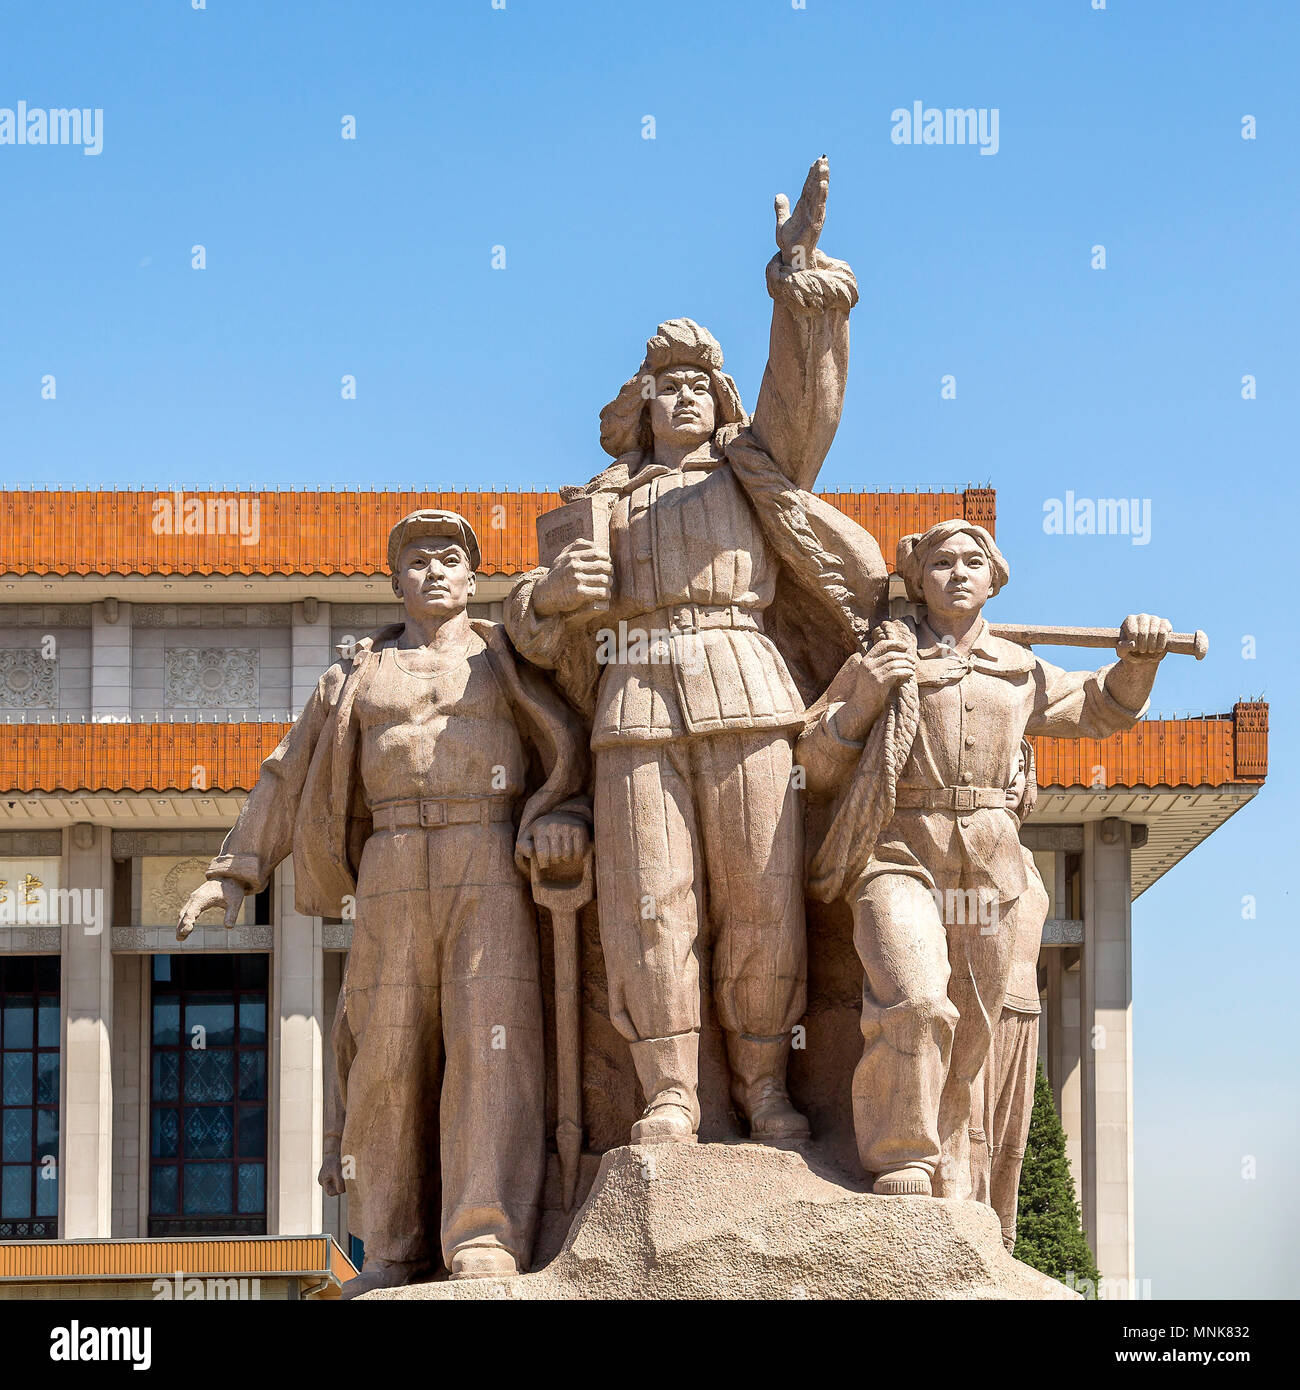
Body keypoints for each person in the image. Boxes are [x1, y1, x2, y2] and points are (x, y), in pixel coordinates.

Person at [506, 158, 884, 1145]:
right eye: (662, 384)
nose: (680, 397)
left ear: (719, 397)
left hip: (746, 687)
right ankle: (671, 1088)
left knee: (761, 897)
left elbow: (802, 403)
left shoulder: (753, 469)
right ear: (637, 402)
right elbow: (531, 640)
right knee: (649, 908)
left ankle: (763, 1081)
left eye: (695, 383)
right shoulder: (593, 503)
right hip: (633, 701)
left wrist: (795, 279)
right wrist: (549, 597)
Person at [177, 509, 591, 1294]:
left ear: (474, 579)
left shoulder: (511, 662)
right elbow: (285, 773)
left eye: (450, 558)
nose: (434, 571)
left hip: (490, 853)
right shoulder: (356, 676)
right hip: (392, 863)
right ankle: (395, 1245)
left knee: (490, 1050)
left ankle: (484, 1235)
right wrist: (233, 873)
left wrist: (563, 818)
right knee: (386, 1058)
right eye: (417, 561)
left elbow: (572, 754)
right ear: (394, 581)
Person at [797, 518, 1171, 1197]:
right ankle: (901, 1155)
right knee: (913, 1001)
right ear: (918, 579)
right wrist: (864, 703)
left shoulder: (1018, 667)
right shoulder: (881, 658)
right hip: (899, 850)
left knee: (972, 1030)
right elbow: (813, 765)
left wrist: (1138, 662)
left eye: (974, 561)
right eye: (942, 561)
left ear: (994, 580)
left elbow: (1100, 708)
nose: (958, 572)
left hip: (991, 859)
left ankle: (950, 1151)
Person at [968, 740, 1047, 1248]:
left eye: (1022, 768)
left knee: (1012, 1146)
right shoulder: (976, 844)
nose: (1014, 778)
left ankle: (1002, 1247)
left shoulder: (1032, 859)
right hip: (985, 1005)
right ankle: (969, 1236)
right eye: (1007, 766)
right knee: (977, 1135)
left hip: (1027, 1008)